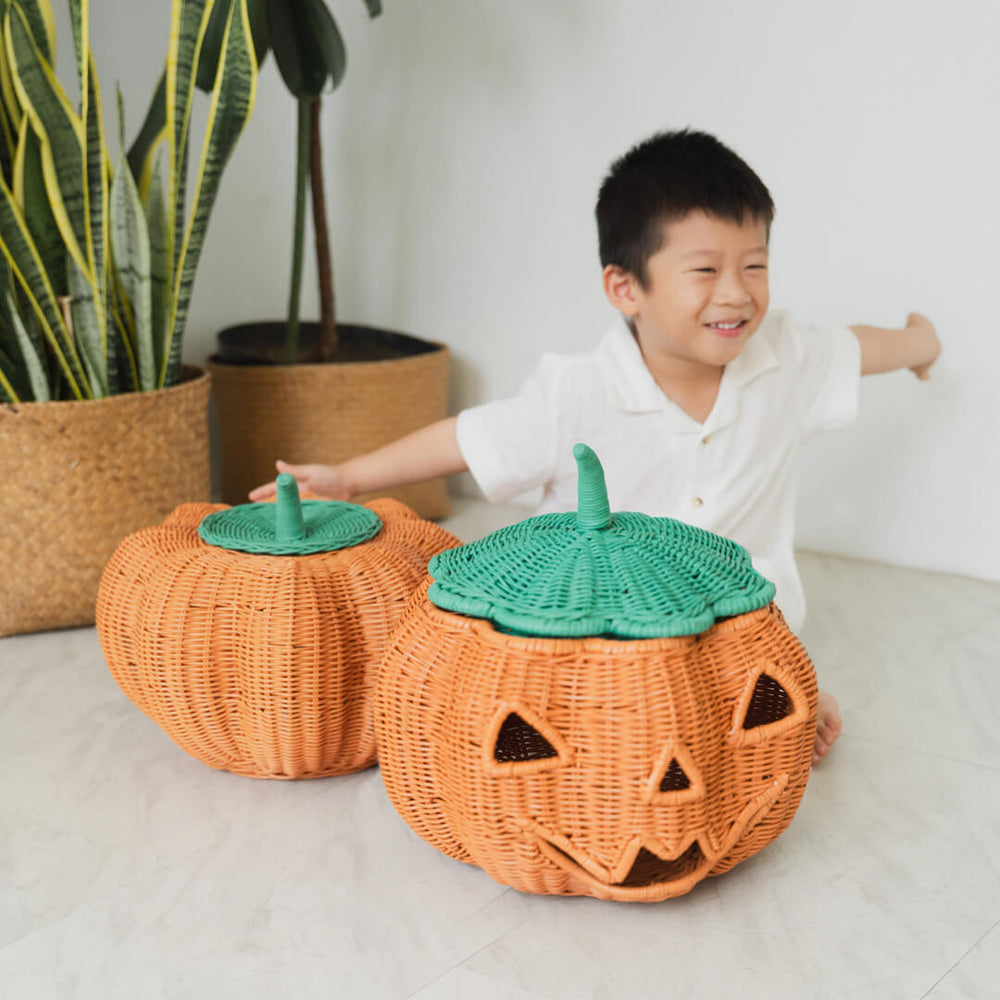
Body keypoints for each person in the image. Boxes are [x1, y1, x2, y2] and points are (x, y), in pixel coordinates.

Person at [250, 129, 941, 765]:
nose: (737, 294)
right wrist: (347, 477)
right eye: (704, 271)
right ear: (625, 287)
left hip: (742, 622)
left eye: (755, 266)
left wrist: (919, 343)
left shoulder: (784, 355)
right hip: (600, 624)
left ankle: (777, 694)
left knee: (749, 675)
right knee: (572, 709)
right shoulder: (574, 395)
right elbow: (466, 439)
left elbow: (855, 348)